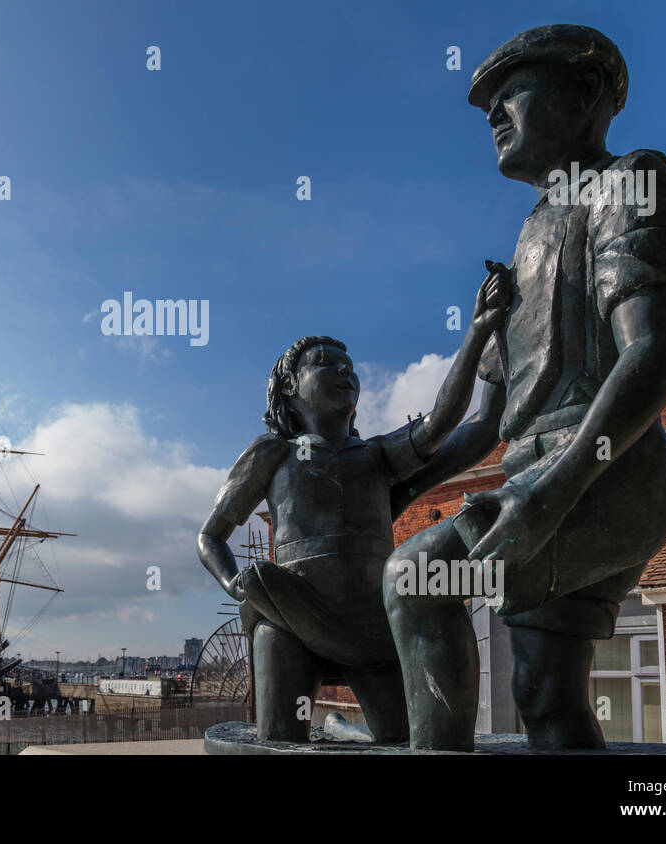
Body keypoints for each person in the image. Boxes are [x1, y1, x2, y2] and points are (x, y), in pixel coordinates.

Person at [383, 25, 666, 751]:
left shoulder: (630, 182)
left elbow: (652, 356)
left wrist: (549, 496)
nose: (491, 114)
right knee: (544, 695)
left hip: (605, 473)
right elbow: (489, 422)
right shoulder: (526, 240)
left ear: (584, 92)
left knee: (413, 581)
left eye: (509, 92)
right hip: (540, 472)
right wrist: (398, 487)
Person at [198, 265, 509, 742]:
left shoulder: (379, 456)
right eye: (325, 362)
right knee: (280, 741)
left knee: (401, 741)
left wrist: (483, 336)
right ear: (289, 388)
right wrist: (234, 582)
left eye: (349, 365)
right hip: (290, 615)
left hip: (374, 625)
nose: (344, 370)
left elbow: (450, 422)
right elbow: (210, 535)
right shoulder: (272, 453)